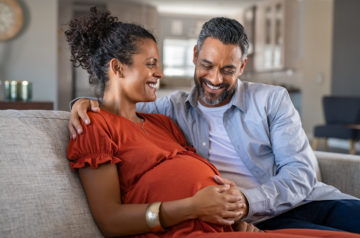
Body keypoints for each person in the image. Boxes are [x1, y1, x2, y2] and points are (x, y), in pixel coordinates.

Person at [67, 7, 360, 237]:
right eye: (207, 65)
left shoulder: (272, 99)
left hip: (307, 202)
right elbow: (118, 105)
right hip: (248, 223)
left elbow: (300, 173)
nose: (215, 79)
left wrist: (246, 202)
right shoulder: (172, 107)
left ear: (242, 66)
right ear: (195, 56)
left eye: (228, 69)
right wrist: (82, 103)